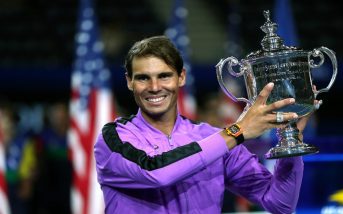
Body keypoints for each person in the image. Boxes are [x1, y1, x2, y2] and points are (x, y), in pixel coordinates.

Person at [94, 35, 313, 214]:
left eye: (164, 76)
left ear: (181, 77)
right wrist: (237, 131)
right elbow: (157, 173)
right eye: (143, 78)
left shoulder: (214, 138)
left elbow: (279, 204)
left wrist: (291, 143)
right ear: (129, 81)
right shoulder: (114, 138)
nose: (154, 87)